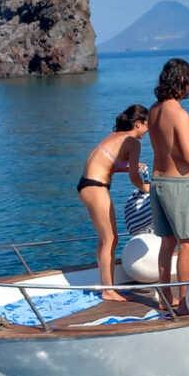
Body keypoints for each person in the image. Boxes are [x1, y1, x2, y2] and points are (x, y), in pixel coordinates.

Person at [77, 104, 150, 301]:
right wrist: (144, 187)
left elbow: (108, 164)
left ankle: (107, 286)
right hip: (96, 187)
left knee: (107, 239)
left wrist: (125, 168)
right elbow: (135, 177)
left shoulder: (115, 136)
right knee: (110, 239)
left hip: (87, 185)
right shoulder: (133, 142)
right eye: (147, 124)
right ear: (138, 123)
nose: (149, 129)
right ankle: (108, 290)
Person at [148, 58, 189, 313]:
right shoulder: (178, 113)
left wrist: (188, 120)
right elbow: (188, 156)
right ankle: (185, 302)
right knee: (187, 243)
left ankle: (165, 297)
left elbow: (165, 137)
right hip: (177, 184)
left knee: (166, 244)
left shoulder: (153, 110)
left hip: (157, 182)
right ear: (182, 81)